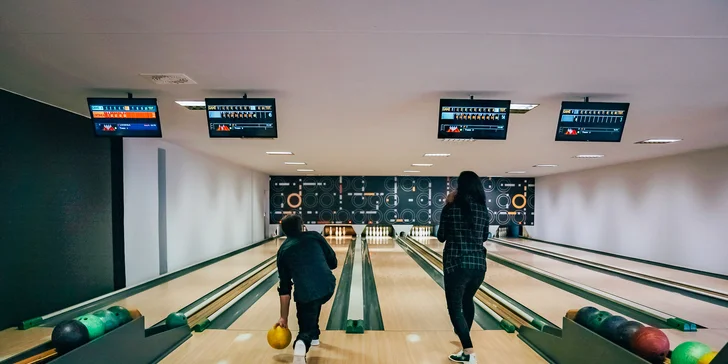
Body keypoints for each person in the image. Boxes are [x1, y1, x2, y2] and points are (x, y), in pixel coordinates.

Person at [437, 171, 489, 363]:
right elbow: (484, 237)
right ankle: (464, 348)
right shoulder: (483, 209)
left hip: (456, 264)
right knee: (468, 301)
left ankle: (469, 352)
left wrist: (447, 205)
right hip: (479, 266)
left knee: (455, 308)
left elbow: (441, 235)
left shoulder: (451, 208)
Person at [275, 214, 337, 364]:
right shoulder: (315, 236)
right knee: (314, 301)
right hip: (327, 285)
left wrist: (283, 317)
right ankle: (313, 335)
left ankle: (302, 342)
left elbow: (285, 288)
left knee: (306, 314)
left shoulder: (283, 251)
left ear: (284, 231)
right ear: (302, 226)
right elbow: (333, 262)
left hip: (305, 293)